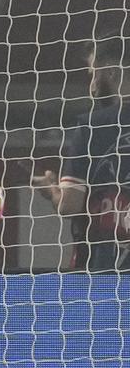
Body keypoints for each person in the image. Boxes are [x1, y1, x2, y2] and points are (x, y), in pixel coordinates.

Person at [31, 41, 130, 271]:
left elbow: (70, 206)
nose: (92, 86)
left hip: (103, 273)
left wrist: (51, 190)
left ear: (111, 72)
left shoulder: (92, 126)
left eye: (93, 73)